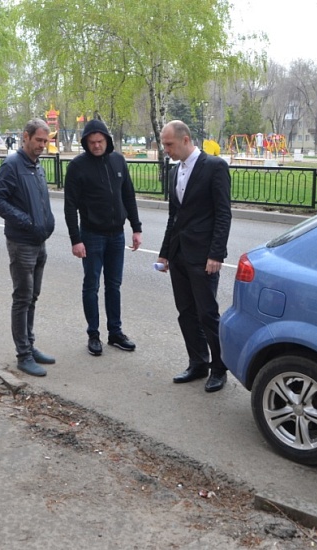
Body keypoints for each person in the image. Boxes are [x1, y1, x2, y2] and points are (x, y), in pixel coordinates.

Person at [156, 120, 232, 393]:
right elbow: (174, 216)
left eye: (169, 144)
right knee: (186, 312)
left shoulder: (215, 167)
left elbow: (223, 214)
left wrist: (216, 254)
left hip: (203, 257)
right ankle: (197, 362)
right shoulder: (176, 172)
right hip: (179, 255)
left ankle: (219, 368)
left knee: (207, 313)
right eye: (164, 145)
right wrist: (165, 253)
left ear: (185, 140)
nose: (166, 150)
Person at [64, 119, 142, 356]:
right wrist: (75, 239)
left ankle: (115, 333)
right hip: (91, 235)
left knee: (114, 285)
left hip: (116, 235)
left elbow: (128, 195)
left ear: (107, 140)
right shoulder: (77, 166)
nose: (96, 146)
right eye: (92, 142)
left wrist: (136, 228)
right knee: (91, 285)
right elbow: (70, 206)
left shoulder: (118, 160)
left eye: (100, 141)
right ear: (86, 143)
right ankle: (93, 334)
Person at [0, 118, 56, 377]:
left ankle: (30, 345)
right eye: (38, 140)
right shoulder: (13, 165)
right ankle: (23, 355)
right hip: (22, 243)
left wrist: (46, 222)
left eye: (45, 141)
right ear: (25, 137)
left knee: (33, 296)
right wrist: (26, 221)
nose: (42, 145)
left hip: (39, 242)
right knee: (22, 298)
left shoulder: (36, 166)